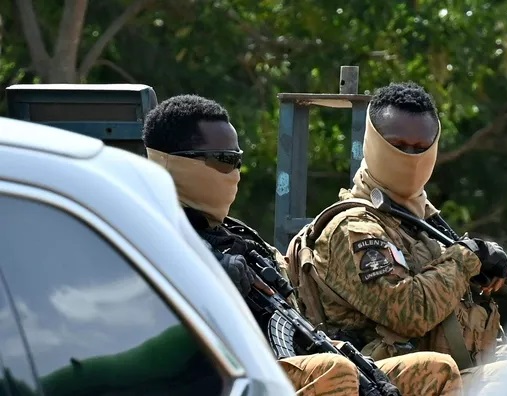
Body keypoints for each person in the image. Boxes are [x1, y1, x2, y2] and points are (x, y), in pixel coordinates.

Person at [141, 94, 463, 396]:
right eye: (223, 160)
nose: (235, 173)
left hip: (282, 364)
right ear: (176, 163)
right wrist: (205, 279)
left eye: (237, 160)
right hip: (214, 377)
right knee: (333, 370)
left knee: (435, 370)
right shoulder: (147, 235)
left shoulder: (240, 239)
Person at [287, 82, 507, 395]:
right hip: (378, 381)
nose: (410, 158)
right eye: (398, 146)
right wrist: (466, 258)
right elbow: (410, 312)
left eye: (420, 148)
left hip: (448, 372)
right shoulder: (353, 227)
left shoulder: (423, 225)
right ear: (373, 144)